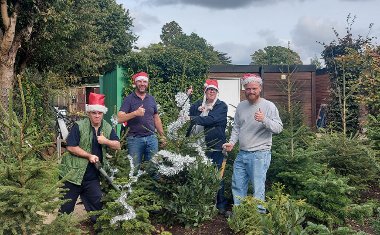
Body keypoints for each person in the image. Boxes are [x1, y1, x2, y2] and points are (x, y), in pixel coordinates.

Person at [222, 73, 283, 212]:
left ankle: (259, 218)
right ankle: (239, 214)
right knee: (237, 184)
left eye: (254, 88)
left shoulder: (269, 106)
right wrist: (232, 142)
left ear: (260, 88)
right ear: (244, 89)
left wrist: (264, 120)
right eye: (248, 89)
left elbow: (279, 128)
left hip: (260, 154)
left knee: (258, 187)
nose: (251, 91)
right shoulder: (241, 106)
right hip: (242, 153)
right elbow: (237, 127)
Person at [59, 92, 121, 224]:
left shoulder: (107, 127)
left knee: (97, 209)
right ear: (89, 113)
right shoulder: (79, 126)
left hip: (92, 177)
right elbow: (70, 147)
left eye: (99, 112)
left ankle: (98, 229)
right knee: (66, 209)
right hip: (72, 175)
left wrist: (106, 141)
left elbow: (117, 145)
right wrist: (88, 155)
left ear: (103, 113)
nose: (97, 115)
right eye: (94, 112)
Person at [186, 79, 228, 214]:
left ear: (217, 92)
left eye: (214, 90)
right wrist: (187, 96)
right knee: (197, 176)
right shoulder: (199, 104)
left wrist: (193, 119)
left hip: (214, 146)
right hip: (196, 147)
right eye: (209, 89)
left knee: (216, 176)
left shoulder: (221, 106)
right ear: (205, 91)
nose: (211, 92)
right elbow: (186, 111)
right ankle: (201, 204)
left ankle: (220, 205)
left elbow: (212, 120)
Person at [117, 72, 166, 172]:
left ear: (147, 84)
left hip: (152, 138)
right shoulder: (129, 99)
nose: (142, 84)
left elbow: (156, 118)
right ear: (135, 83)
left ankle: (152, 187)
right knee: (134, 170)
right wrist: (135, 113)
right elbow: (119, 118)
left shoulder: (151, 99)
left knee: (153, 168)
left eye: (144, 81)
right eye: (139, 81)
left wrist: (162, 135)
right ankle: (135, 187)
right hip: (134, 140)